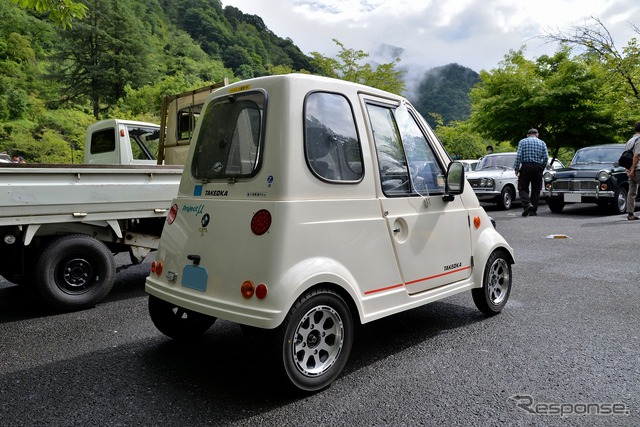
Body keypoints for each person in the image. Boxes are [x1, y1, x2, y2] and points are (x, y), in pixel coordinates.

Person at [513, 128, 549, 217]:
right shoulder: (542, 143)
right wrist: (541, 168)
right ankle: (533, 211)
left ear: (527, 134)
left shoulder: (522, 142)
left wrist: (517, 168)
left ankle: (527, 204)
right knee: (536, 189)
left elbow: (519, 155)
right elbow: (546, 158)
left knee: (522, 188)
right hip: (537, 167)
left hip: (526, 166)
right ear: (537, 134)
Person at [624, 121, 640, 220]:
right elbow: (636, 156)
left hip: (630, 169)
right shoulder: (639, 140)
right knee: (632, 191)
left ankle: (630, 214)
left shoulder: (630, 140)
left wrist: (629, 169)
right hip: (637, 169)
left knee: (632, 191)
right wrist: (633, 169)